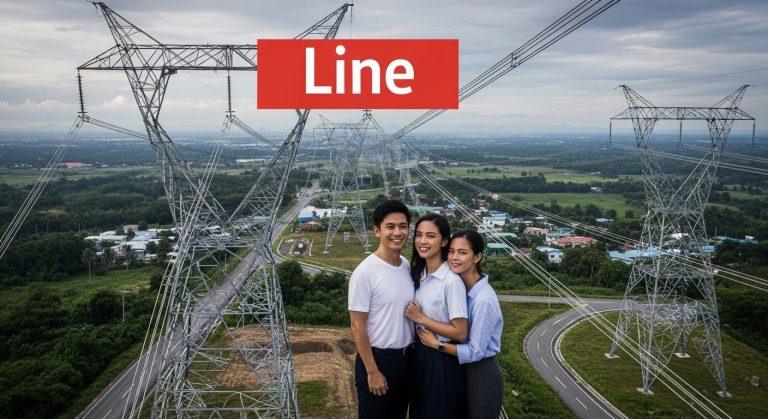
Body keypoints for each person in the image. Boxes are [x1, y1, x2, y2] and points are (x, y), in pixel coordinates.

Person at [418, 230, 504, 419]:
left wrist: (436, 344)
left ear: (477, 257)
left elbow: (475, 351)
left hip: (480, 372)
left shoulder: (483, 300)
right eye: (451, 251)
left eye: (462, 253)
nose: (454, 258)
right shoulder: (462, 288)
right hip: (460, 367)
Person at [348, 199, 414, 419]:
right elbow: (357, 326)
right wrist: (373, 371)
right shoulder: (365, 272)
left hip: (406, 359)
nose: (397, 232)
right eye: (390, 227)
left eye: (402, 226)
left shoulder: (405, 265)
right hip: (378, 360)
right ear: (377, 231)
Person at [404, 213, 468, 419]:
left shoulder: (451, 281)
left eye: (431, 236)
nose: (423, 241)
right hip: (420, 355)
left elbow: (460, 333)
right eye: (419, 235)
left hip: (441, 359)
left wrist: (420, 318)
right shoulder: (419, 273)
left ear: (444, 241)